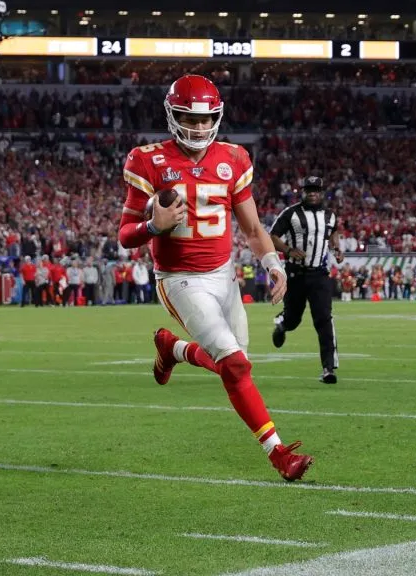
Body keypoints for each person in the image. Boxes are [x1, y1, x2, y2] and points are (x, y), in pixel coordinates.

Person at [117, 74, 313, 482]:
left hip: (223, 275)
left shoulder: (235, 158)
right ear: (173, 115)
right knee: (236, 366)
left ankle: (173, 350)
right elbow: (125, 235)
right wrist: (154, 226)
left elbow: (254, 229)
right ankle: (279, 454)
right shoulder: (147, 160)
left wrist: (273, 265)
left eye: (208, 120)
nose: (200, 128)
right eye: (191, 118)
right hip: (179, 278)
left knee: (237, 363)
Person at [269, 176, 343, 384]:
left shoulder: (330, 215)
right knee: (294, 319)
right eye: (308, 189)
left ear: (321, 193)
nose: (312, 193)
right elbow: (272, 236)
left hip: (320, 275)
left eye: (316, 190)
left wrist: (336, 248)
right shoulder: (291, 213)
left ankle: (328, 368)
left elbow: (334, 231)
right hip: (296, 275)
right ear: (302, 192)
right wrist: (288, 250)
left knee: (324, 320)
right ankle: (283, 325)